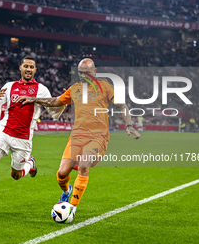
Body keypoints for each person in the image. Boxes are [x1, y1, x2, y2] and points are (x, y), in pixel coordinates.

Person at [17, 58, 141, 216]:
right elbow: (56, 101)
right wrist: (34, 99)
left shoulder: (105, 86)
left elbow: (122, 105)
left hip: (98, 136)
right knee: (62, 173)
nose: (84, 76)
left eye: (88, 73)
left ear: (95, 72)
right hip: (77, 136)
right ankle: (67, 190)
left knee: (83, 165)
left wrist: (129, 126)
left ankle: (72, 208)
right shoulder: (75, 88)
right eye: (81, 73)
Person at [0, 56, 64, 213]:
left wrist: (63, 102)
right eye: (26, 66)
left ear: (35, 70)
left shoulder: (41, 89)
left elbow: (54, 114)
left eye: (31, 67)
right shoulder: (10, 86)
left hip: (23, 139)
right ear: (20, 68)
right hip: (4, 132)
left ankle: (30, 163)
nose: (28, 69)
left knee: (15, 175)